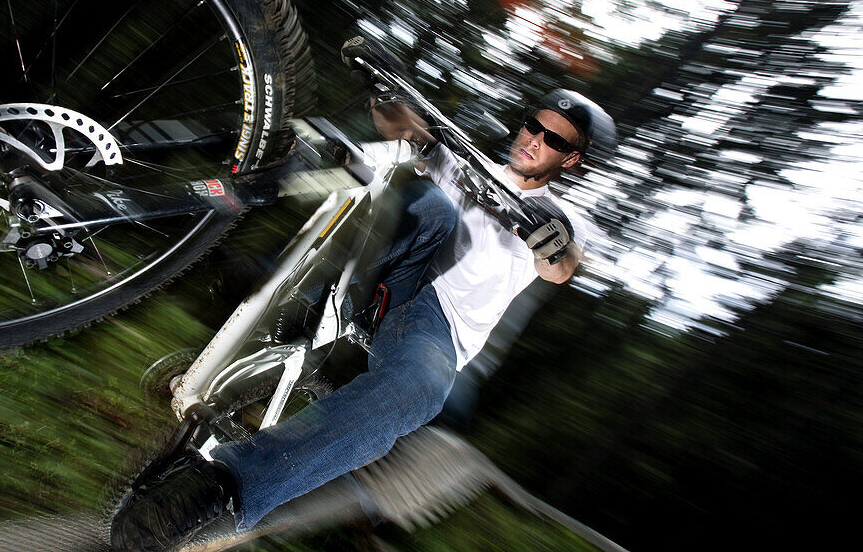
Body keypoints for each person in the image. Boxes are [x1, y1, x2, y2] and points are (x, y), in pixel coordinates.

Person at [110, 41, 615, 551]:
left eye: (552, 138)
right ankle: (275, 280)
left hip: (439, 327)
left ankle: (213, 490)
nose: (534, 139)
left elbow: (561, 266)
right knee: (425, 199)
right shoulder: (470, 162)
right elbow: (406, 131)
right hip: (388, 277)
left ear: (569, 158)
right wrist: (386, 90)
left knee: (417, 393)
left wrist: (549, 240)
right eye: (534, 124)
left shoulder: (560, 218)